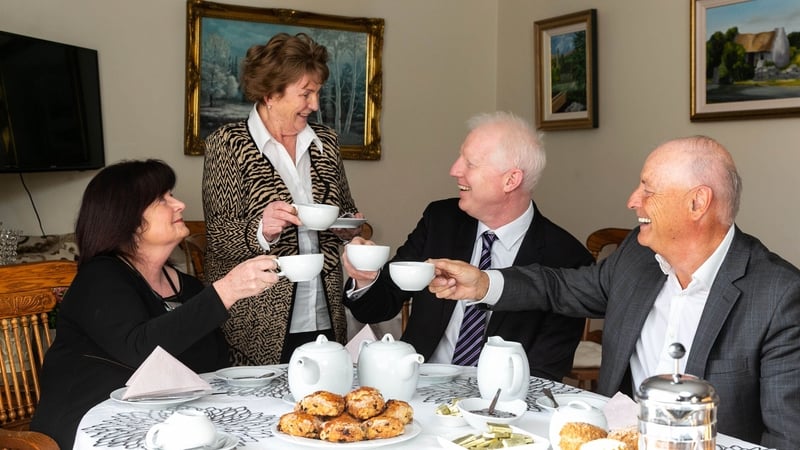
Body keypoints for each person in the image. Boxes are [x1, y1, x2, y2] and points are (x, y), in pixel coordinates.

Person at [429, 135, 800, 449]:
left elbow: (787, 436)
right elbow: (561, 287)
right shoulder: (636, 259)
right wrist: (483, 283)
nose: (632, 200)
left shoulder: (777, 296)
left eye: (647, 190)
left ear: (697, 203)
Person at [30, 159, 279, 449]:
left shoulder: (186, 286)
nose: (180, 204)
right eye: (163, 199)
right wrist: (226, 290)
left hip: (166, 422)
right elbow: (140, 350)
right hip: (92, 424)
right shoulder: (100, 277)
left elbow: (212, 363)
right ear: (128, 218)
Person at [343, 111, 593, 381]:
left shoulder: (567, 258)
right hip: (416, 387)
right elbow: (379, 305)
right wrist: (365, 279)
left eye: (470, 163)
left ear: (511, 180)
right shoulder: (441, 220)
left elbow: (546, 371)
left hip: (497, 404)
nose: (454, 170)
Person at [202, 32, 362, 365]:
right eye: (306, 93)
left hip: (324, 311)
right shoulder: (228, 143)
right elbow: (218, 237)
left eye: (318, 93)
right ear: (270, 93)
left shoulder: (326, 142)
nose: (315, 105)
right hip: (256, 321)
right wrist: (262, 229)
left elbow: (346, 210)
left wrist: (350, 227)